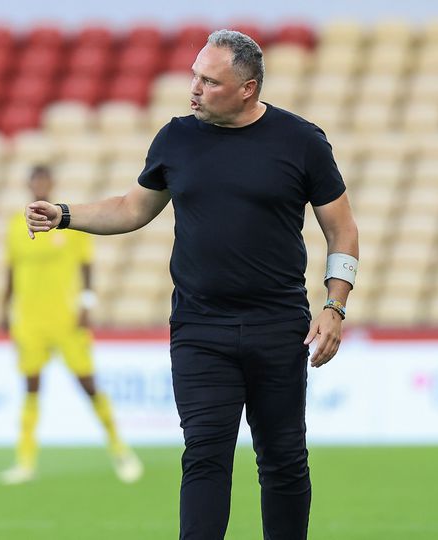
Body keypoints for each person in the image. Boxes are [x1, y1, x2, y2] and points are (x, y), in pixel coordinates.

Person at [25, 30, 359, 539]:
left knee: (284, 458)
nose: (194, 89)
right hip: (201, 327)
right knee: (204, 453)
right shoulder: (176, 138)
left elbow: (342, 229)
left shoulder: (301, 141)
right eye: (194, 76)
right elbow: (132, 208)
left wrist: (334, 306)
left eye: (209, 80)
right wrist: (65, 214)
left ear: (247, 88)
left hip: (278, 325)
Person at [0, 164, 143, 485]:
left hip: (66, 318)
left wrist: (87, 302)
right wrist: (4, 306)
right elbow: (10, 269)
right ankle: (24, 461)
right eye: (34, 179)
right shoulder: (14, 225)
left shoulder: (63, 222)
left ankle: (121, 451)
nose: (39, 184)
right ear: (28, 184)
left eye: (44, 179)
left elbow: (87, 266)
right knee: (31, 387)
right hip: (29, 320)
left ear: (51, 183)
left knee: (88, 385)